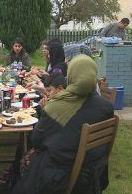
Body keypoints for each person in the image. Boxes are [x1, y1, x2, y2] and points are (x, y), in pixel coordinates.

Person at [13, 55, 114, 194]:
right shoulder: (106, 107)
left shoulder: (56, 105)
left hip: (61, 176)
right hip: (94, 173)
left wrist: (44, 113)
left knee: (28, 157)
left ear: (71, 76)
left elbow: (36, 141)